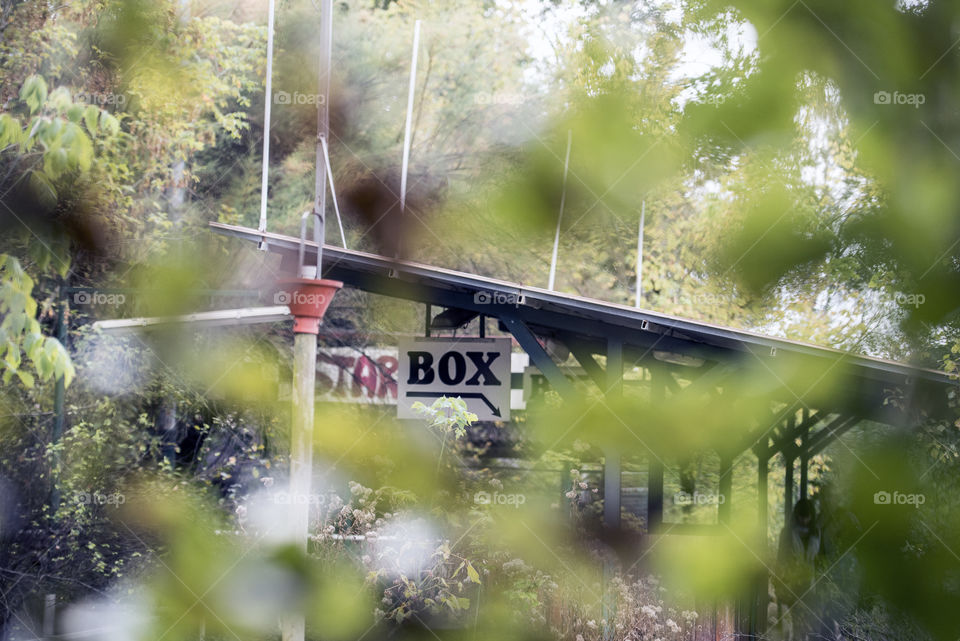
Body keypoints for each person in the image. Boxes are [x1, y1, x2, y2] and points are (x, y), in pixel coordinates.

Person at [774, 498, 821, 640]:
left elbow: (819, 559)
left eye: (807, 518)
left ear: (811, 516)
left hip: (812, 585)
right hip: (793, 585)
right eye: (802, 517)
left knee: (809, 625)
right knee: (795, 624)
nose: (804, 521)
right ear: (796, 516)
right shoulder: (787, 533)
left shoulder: (816, 532)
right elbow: (781, 558)